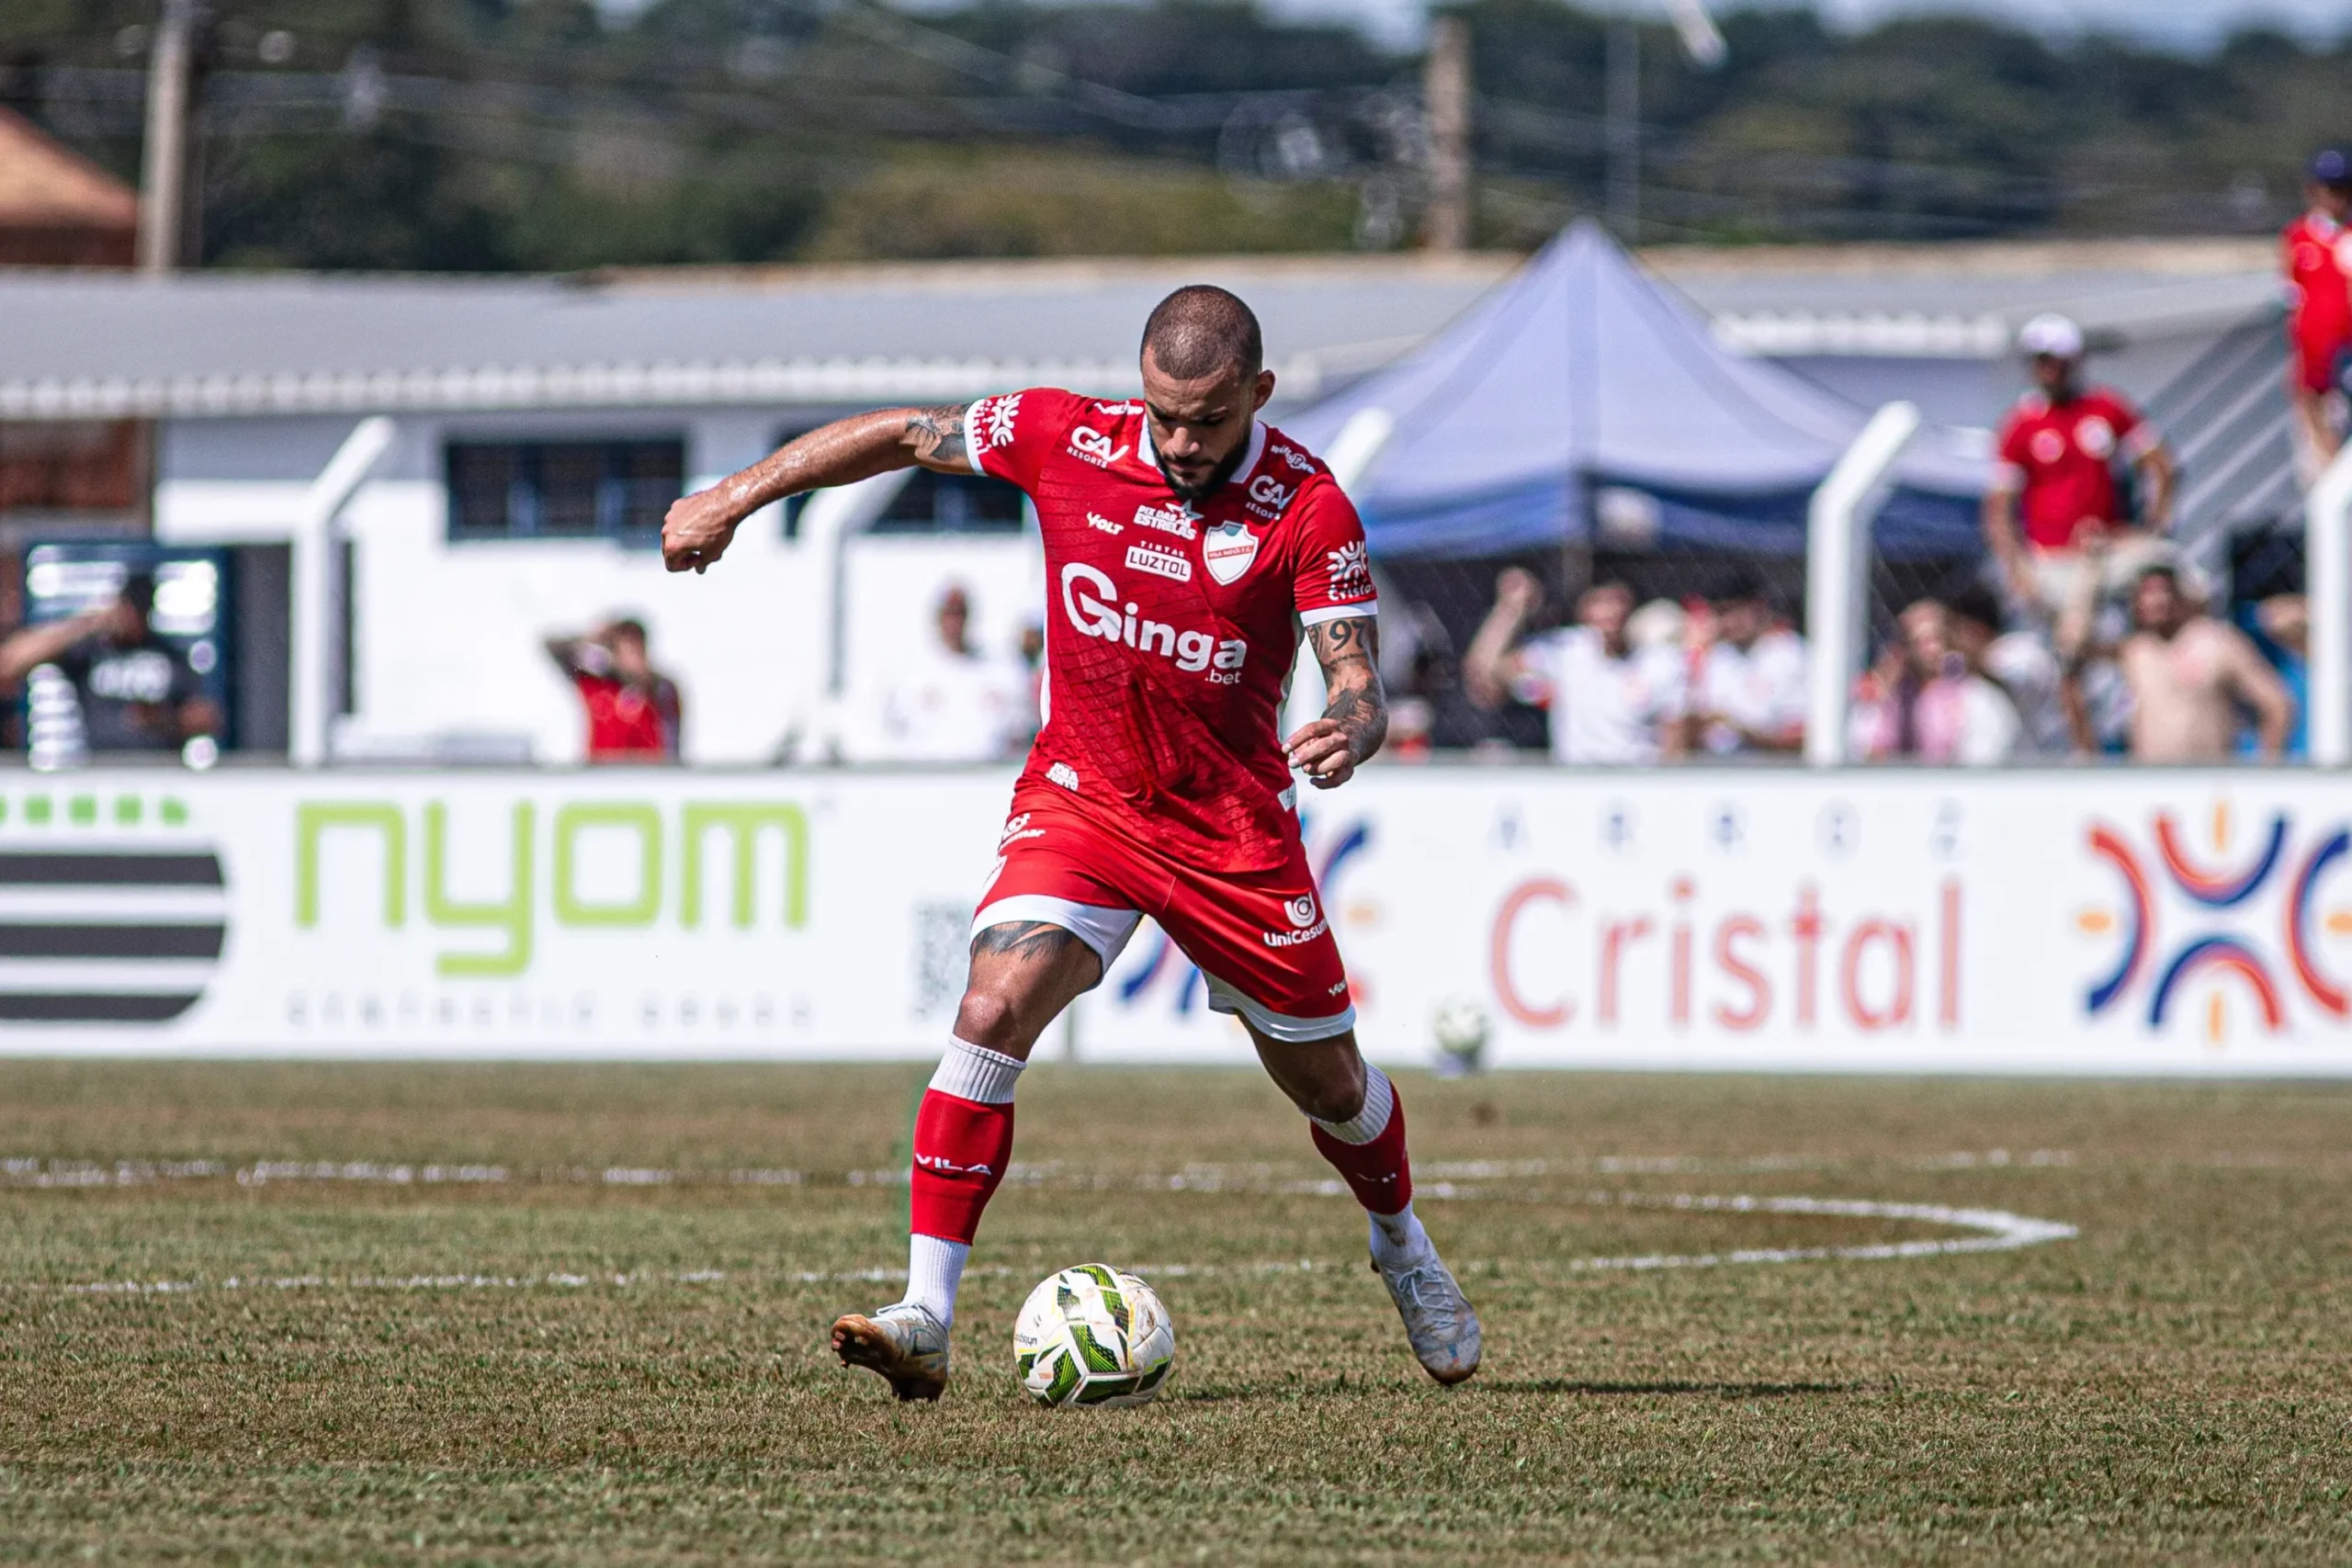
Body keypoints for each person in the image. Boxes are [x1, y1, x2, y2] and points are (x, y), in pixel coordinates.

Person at [661, 285, 1478, 1400]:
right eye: (1164, 414)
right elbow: (906, 433)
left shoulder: (1309, 506)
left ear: (1260, 394)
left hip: (1228, 832)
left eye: (1209, 419)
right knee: (991, 1006)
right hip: (1082, 800)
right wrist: (733, 493)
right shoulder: (1066, 437)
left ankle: (1403, 1247)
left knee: (1331, 1087)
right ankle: (927, 1312)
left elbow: (1356, 673)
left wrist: (1355, 722)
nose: (1182, 442)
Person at [1984, 314, 2177, 615]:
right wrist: (2015, 568)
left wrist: (2153, 526)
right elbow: (1998, 508)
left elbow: (2161, 464)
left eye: (2056, 361)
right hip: (2053, 558)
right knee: (2075, 623)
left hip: (2111, 550)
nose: (2050, 370)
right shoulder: (2021, 425)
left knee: (2186, 587)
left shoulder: (2106, 408)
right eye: (2042, 361)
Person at [2060, 558, 2294, 763]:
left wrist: (2266, 770)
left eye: (2163, 590)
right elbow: (2072, 643)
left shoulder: (2217, 642)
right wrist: (2092, 572)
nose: (2156, 600)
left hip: (2211, 786)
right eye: (2147, 593)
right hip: (2152, 790)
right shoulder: (2137, 650)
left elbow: (2277, 704)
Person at [1463, 570, 1685, 764]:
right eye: (1600, 603)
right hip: (1577, 782)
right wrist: (1511, 609)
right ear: (1584, 610)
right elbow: (1486, 672)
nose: (1610, 613)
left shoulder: (1660, 661)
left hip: (1637, 780)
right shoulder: (1566, 651)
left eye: (1618, 601)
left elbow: (1674, 738)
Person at [0, 572, 218, 761]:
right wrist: (84, 624)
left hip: (159, 770)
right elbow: (10, 662)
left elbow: (207, 719)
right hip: (102, 771)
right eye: (130, 608)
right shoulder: (90, 651)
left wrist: (163, 719)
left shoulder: (169, 656)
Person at [1849, 597, 2020, 766]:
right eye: (1918, 641)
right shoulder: (1890, 699)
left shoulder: (1975, 697)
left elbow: (1981, 759)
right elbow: (1865, 746)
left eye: (1935, 638)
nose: (1930, 649)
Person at [869, 585, 1028, 762]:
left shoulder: (999, 670)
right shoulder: (910, 673)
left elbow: (1020, 728)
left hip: (986, 776)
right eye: (949, 614)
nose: (954, 622)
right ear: (938, 618)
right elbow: (886, 729)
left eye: (960, 613)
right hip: (927, 775)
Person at [2282, 150, 2352, 471]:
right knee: (2320, 467)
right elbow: (2294, 305)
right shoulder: (2298, 238)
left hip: (2346, 368)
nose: (2336, 198)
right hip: (2315, 372)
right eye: (2330, 189)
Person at [1687, 574, 1805, 756]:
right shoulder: (1717, 657)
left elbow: (1806, 737)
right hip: (1716, 772)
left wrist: (1741, 730)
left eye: (1733, 611)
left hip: (1776, 774)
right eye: (1719, 613)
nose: (1727, 623)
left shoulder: (1793, 655)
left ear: (1759, 606)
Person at [1947, 582, 2067, 758]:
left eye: (1955, 631)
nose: (1952, 641)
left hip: (2032, 767)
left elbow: (2013, 681)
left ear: (1973, 628)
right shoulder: (1961, 667)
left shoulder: (2020, 650)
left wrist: (1975, 666)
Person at [544, 616, 682, 762]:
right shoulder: (597, 684)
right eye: (626, 650)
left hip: (647, 776)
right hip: (601, 777)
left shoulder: (660, 688)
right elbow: (553, 647)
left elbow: (672, 739)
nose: (632, 657)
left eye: (636, 649)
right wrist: (593, 638)